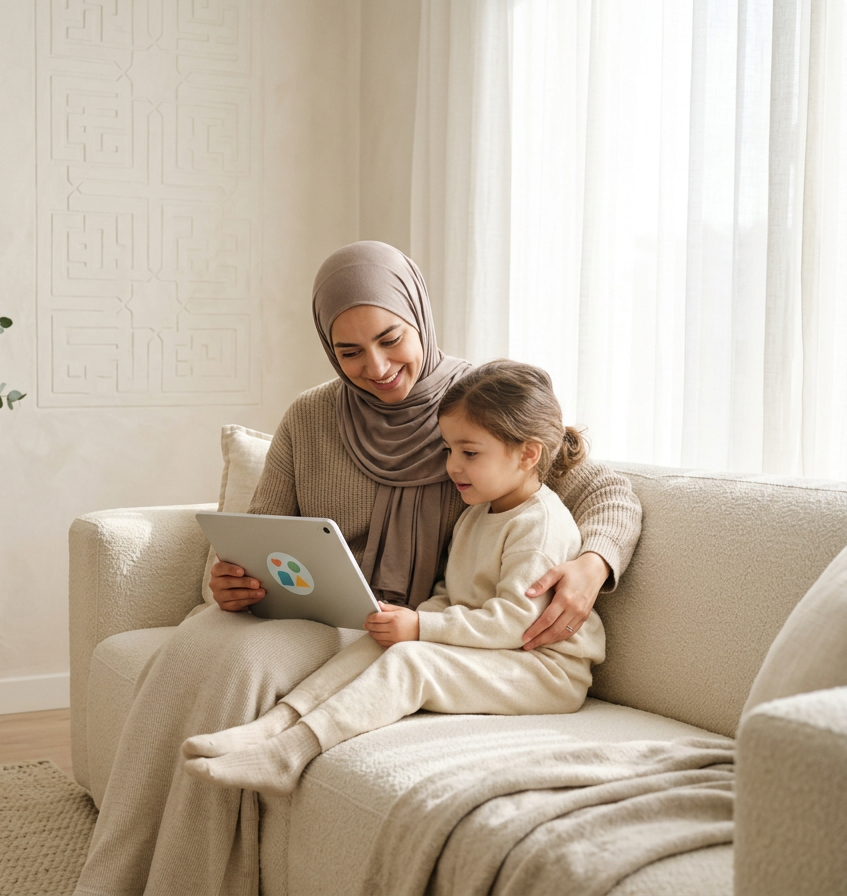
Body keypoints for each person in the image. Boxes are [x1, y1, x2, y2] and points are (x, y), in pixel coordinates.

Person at [73, 242, 640, 896]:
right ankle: (114, 879)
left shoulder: (476, 408)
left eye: (391, 339)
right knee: (194, 648)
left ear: (419, 316)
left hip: (410, 624)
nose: (376, 367)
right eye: (349, 352)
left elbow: (605, 490)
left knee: (240, 666)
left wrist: (594, 562)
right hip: (325, 612)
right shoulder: (310, 417)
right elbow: (259, 533)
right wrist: (227, 582)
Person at [181, 360, 605, 796]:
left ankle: (288, 755)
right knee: (381, 640)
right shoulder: (478, 512)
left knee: (410, 661)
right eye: (448, 450)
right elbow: (451, 594)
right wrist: (409, 622)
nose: (452, 466)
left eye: (469, 453)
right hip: (498, 652)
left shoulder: (539, 526)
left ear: (528, 454)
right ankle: (272, 726)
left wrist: (422, 628)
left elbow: (516, 622)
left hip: (545, 671)